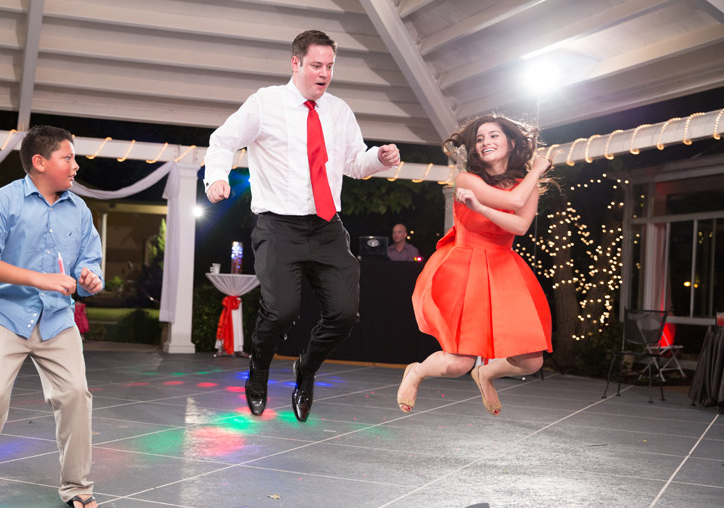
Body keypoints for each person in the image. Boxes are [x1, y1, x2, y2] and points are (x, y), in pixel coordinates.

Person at [204, 30, 401, 422]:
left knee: (344, 313)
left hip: (327, 227)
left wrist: (378, 157)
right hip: (278, 226)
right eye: (316, 65)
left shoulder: (339, 111)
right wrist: (215, 179)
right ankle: (258, 368)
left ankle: (305, 369)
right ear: (295, 63)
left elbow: (353, 164)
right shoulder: (266, 103)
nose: (324, 74)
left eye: (329, 67)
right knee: (281, 311)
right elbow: (223, 140)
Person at [0, 125, 104, 508]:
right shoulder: (3, 202)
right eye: (67, 157)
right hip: (5, 315)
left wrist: (91, 277)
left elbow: (90, 260)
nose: (75, 164)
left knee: (75, 395)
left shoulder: (79, 209)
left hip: (57, 319)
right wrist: (40, 278)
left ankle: (78, 487)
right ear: (40, 162)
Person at [397, 115, 554, 416]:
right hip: (465, 267)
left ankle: (487, 374)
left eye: (493, 136)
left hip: (503, 270)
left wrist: (528, 178)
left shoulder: (525, 184)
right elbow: (513, 202)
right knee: (458, 363)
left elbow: (520, 225)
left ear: (510, 142)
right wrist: (537, 170)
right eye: (480, 139)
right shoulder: (467, 180)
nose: (485, 143)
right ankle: (416, 372)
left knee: (531, 361)